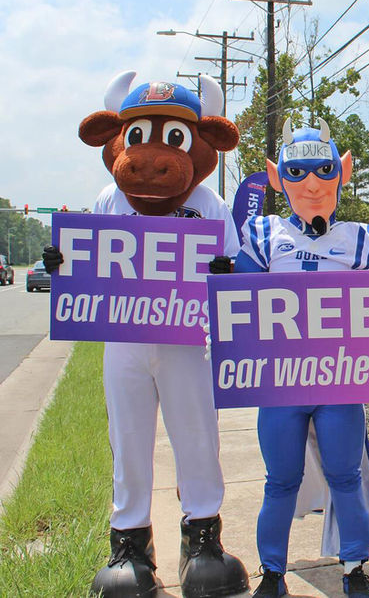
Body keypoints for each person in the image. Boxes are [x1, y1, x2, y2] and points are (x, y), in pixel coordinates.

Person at [44, 72, 248, 598]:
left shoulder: (207, 203)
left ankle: (203, 538)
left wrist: (227, 275)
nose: (153, 156)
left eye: (174, 138)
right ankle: (130, 542)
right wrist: (63, 263)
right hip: (125, 338)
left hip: (186, 340)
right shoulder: (107, 199)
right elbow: (88, 263)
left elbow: (231, 262)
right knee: (127, 438)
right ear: (120, 137)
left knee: (196, 435)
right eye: (138, 136)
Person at [224, 118, 369, 598]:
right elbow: (240, 303)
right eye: (297, 173)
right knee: (280, 480)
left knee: (345, 476)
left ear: (344, 172)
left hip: (337, 383)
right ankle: (272, 573)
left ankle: (354, 568)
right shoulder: (261, 233)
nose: (312, 183)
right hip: (281, 383)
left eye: (323, 169)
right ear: (277, 177)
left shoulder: (363, 240)